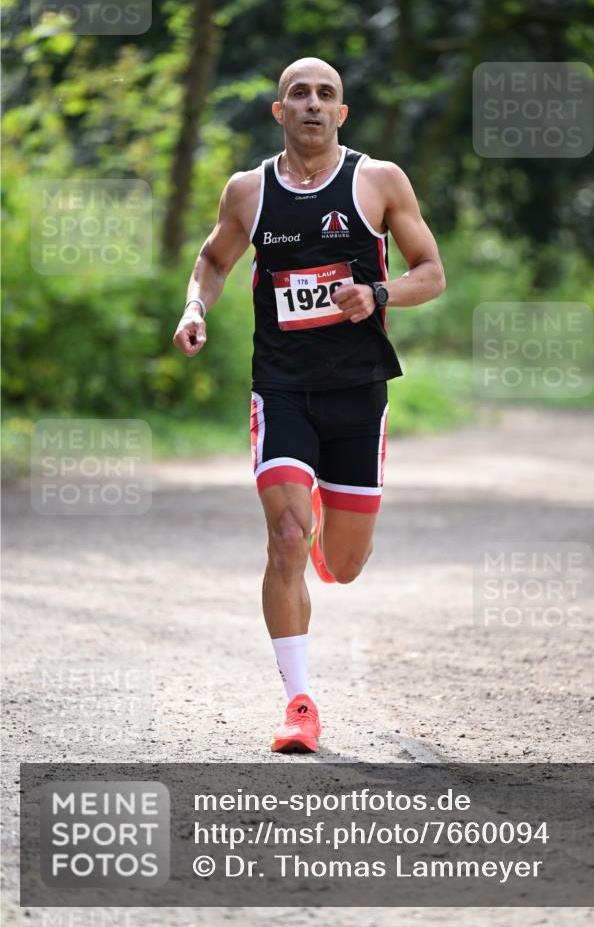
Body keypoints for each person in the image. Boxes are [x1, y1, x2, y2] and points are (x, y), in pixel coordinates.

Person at [173, 57, 445, 753]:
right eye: (300, 94)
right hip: (283, 387)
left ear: (341, 113)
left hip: (358, 391)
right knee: (287, 538)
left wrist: (379, 295)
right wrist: (195, 306)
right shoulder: (248, 191)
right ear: (279, 111)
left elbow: (430, 272)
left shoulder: (378, 181)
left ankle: (328, 527)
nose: (313, 105)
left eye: (326, 95)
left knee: (344, 565)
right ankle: (298, 703)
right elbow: (213, 259)